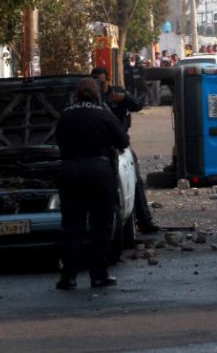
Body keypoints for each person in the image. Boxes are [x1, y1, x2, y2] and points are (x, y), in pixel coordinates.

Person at [55, 78, 130, 290]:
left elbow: (58, 140)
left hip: (70, 172)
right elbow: (123, 142)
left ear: (76, 94)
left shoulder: (66, 114)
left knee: (72, 227)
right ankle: (99, 275)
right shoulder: (103, 114)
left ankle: (68, 277)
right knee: (101, 226)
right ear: (96, 94)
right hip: (99, 172)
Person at [91, 68, 161, 234]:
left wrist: (125, 98)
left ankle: (144, 220)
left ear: (107, 80)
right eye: (96, 82)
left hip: (119, 146)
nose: (99, 86)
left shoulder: (117, 93)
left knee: (134, 180)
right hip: (99, 147)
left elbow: (137, 105)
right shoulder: (92, 98)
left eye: (101, 82)